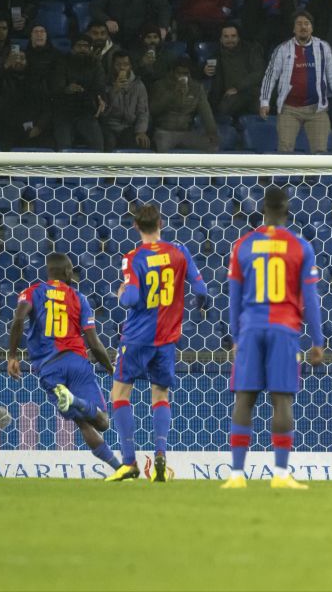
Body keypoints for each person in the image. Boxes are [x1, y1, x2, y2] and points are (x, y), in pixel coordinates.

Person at [221, 186, 324, 490]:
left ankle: (237, 475)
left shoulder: (243, 245)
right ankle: (280, 474)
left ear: (263, 209)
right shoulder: (300, 246)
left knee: (245, 398)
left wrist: (236, 335)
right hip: (284, 329)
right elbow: (310, 297)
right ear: (287, 209)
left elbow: (234, 297)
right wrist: (317, 340)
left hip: (251, 327)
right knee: (281, 400)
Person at [106, 203, 209, 482]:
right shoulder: (180, 252)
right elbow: (202, 290)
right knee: (160, 395)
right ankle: (160, 454)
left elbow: (132, 299)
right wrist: (194, 306)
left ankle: (129, 462)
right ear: (161, 223)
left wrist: (121, 292)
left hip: (138, 337)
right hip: (167, 339)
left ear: (136, 226)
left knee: (119, 394)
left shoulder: (133, 258)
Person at [6, 253, 121, 476]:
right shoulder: (79, 298)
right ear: (68, 272)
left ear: (48, 272)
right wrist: (111, 369)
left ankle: (118, 468)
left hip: (48, 367)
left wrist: (12, 355)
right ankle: (120, 468)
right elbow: (94, 342)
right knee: (103, 422)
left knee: (83, 424)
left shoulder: (33, 292)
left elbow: (18, 319)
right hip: (77, 361)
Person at [259, 10, 332, 154]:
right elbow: (270, 76)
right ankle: (286, 178)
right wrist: (264, 101)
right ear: (293, 29)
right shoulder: (282, 49)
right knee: (285, 152)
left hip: (317, 110)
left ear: (312, 28)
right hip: (289, 109)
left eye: (307, 23)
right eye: (299, 24)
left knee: (320, 153)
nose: (303, 27)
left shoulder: (323, 47)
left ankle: (314, 177)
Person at [0, 47, 54, 150]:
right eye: (14, 58)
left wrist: (39, 127)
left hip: (33, 128)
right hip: (6, 129)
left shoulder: (37, 80)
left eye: (22, 58)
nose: (18, 61)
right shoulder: (1, 78)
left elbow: (47, 107)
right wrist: (5, 66)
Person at [150, 57, 219, 153]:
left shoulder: (196, 88)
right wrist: (173, 94)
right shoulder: (160, 85)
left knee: (211, 145)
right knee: (161, 146)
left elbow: (206, 112)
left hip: (186, 132)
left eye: (185, 73)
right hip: (164, 131)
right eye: (179, 73)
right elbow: (153, 110)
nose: (182, 76)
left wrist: (212, 132)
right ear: (173, 72)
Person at [50, 34, 105, 151]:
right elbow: (56, 88)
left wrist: (101, 100)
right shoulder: (62, 62)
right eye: (79, 46)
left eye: (86, 46)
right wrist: (67, 89)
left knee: (98, 147)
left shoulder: (96, 65)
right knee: (64, 148)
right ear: (73, 48)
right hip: (64, 111)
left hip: (86, 111)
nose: (83, 49)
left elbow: (100, 88)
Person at [205, 24, 265, 120]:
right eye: (226, 37)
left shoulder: (252, 50)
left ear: (238, 38)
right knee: (223, 110)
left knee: (262, 109)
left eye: (233, 36)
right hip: (229, 96)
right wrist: (204, 71)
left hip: (251, 92)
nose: (230, 40)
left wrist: (238, 87)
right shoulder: (216, 56)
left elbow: (259, 73)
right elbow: (200, 73)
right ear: (221, 39)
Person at [101, 51, 150, 151]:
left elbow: (143, 112)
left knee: (139, 143)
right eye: (118, 65)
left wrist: (141, 131)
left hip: (128, 127)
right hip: (109, 126)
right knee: (108, 143)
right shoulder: (105, 83)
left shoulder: (138, 85)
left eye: (125, 64)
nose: (122, 68)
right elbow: (103, 112)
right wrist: (114, 91)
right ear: (112, 66)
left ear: (130, 66)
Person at [89, 0, 170, 49]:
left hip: (139, 36)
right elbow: (95, 7)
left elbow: (163, 7)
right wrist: (106, 20)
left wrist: (163, 27)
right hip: (115, 34)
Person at [131, 22, 177, 90]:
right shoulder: (135, 54)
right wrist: (141, 63)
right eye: (148, 37)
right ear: (143, 38)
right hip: (141, 87)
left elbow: (172, 75)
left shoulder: (167, 54)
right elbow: (130, 74)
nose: (152, 40)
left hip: (162, 88)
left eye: (155, 37)